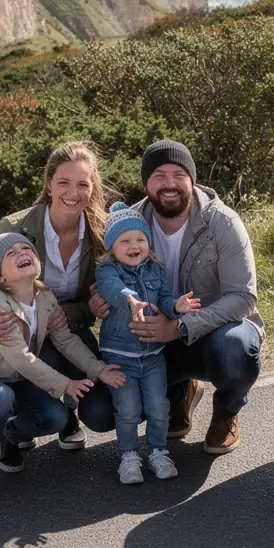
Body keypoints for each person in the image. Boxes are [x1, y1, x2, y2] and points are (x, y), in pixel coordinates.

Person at [89, 139, 263, 454]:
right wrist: (99, 301)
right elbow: (109, 276)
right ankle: (179, 394)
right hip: (152, 343)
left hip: (214, 335)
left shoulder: (222, 222)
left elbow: (243, 297)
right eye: (159, 175)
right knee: (100, 411)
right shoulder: (128, 224)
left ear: (191, 179)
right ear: (145, 183)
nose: (169, 183)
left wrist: (180, 327)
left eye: (178, 174)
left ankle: (227, 410)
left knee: (236, 352)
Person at [0, 233, 126, 504]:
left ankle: (9, 435)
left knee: (54, 418)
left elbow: (66, 340)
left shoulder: (44, 297)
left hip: (17, 379)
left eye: (26, 249)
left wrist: (98, 369)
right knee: (0, 398)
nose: (22, 253)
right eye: (11, 254)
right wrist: (66, 385)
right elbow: (22, 358)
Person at [0, 141, 114, 447]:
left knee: (102, 414)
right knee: (43, 365)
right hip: (22, 333)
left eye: (82, 184)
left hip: (70, 330)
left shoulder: (102, 233)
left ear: (92, 188)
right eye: (63, 183)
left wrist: (93, 308)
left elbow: (93, 301)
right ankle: (17, 428)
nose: (73, 193)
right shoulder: (14, 228)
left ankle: (67, 411)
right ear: (48, 185)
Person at [95, 203, 201, 484]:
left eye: (140, 239)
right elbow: (112, 290)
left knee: (158, 406)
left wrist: (176, 306)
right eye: (125, 240)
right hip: (120, 356)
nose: (134, 245)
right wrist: (130, 299)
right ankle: (129, 457)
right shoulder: (107, 270)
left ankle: (158, 452)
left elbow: (164, 299)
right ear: (112, 247)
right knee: (127, 410)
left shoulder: (156, 269)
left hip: (153, 356)